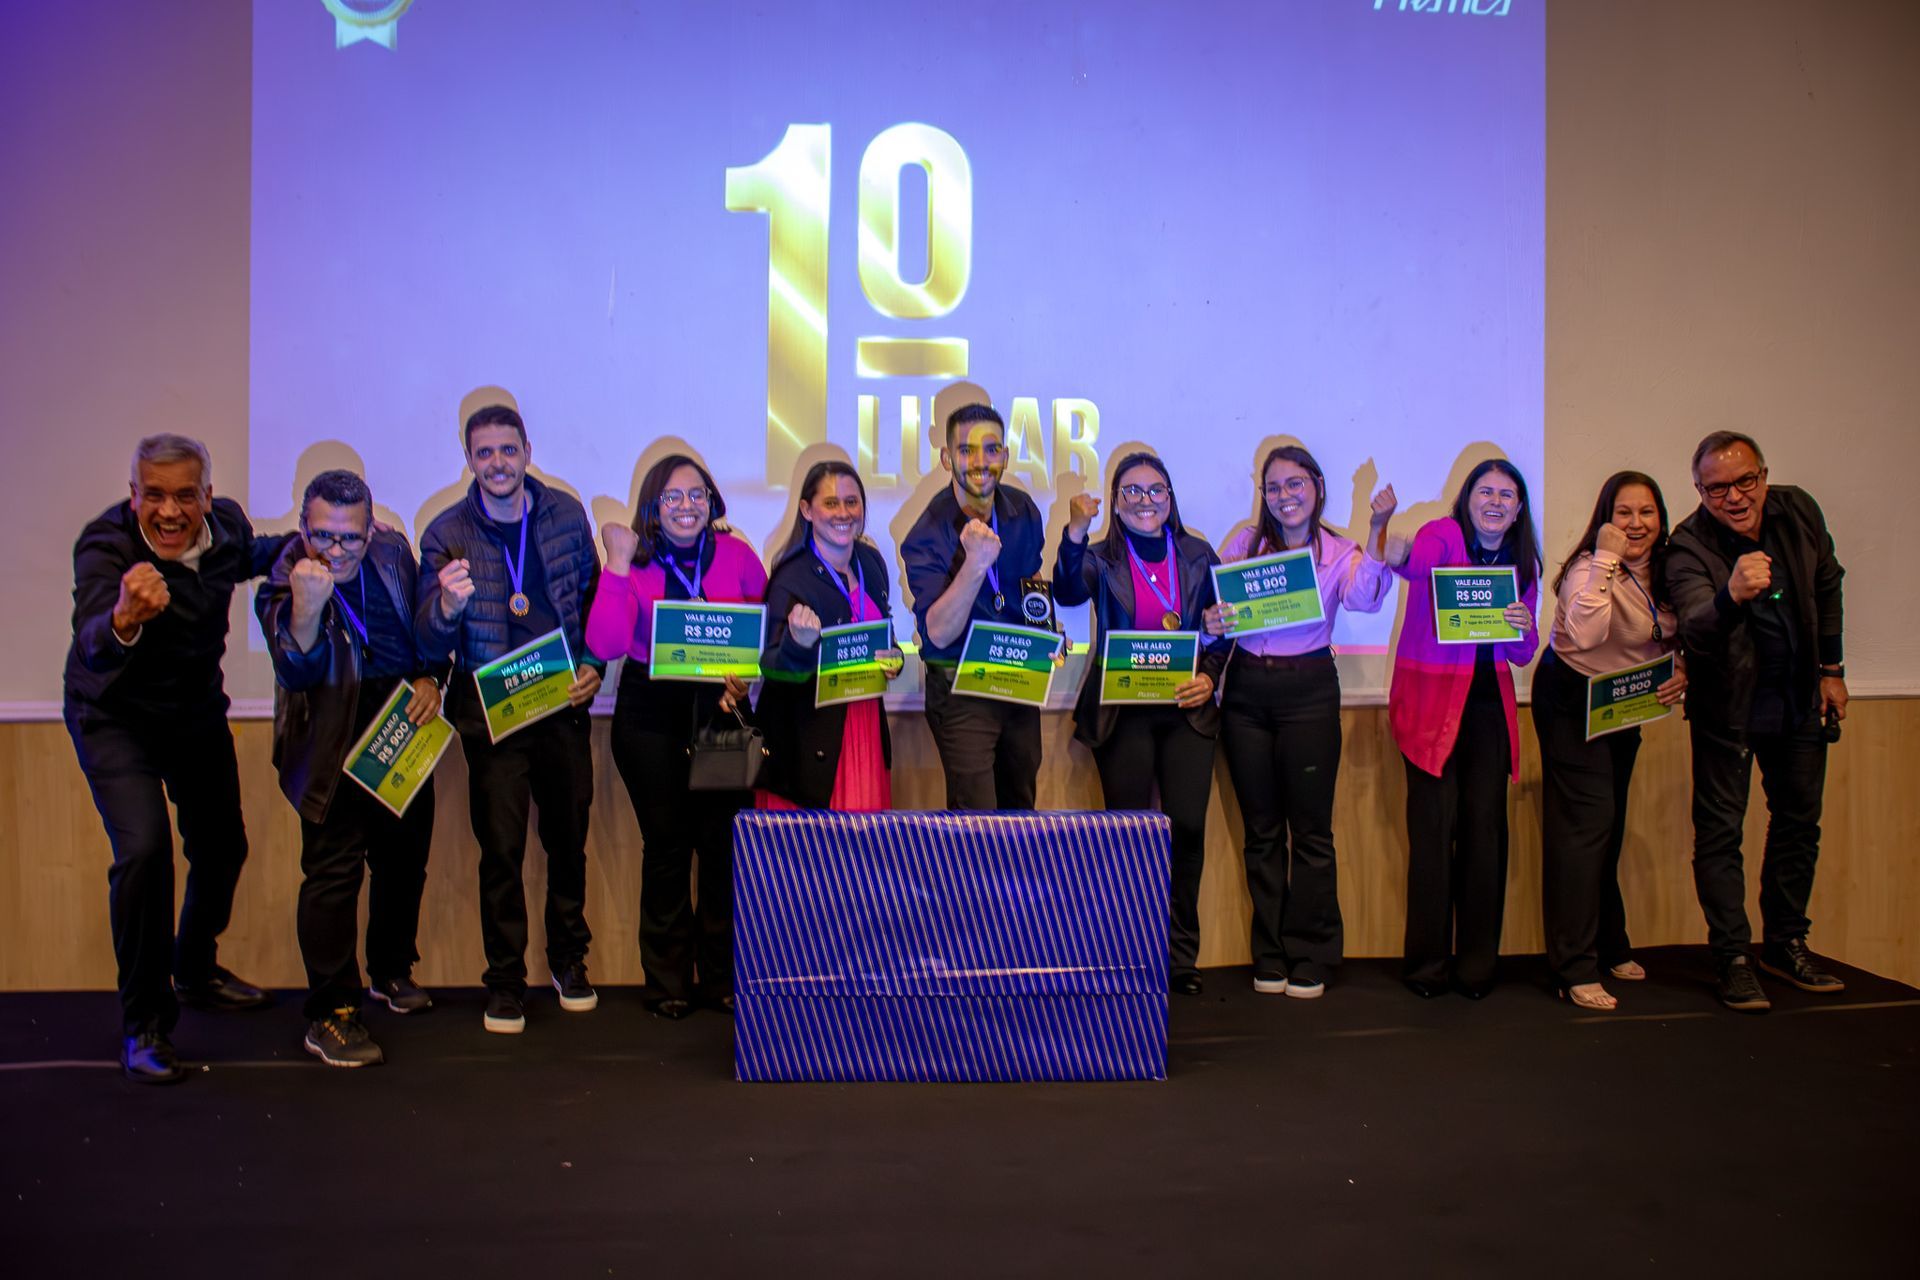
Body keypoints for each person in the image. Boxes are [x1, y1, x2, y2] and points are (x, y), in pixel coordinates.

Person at [63, 434, 285, 1083]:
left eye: (184, 495)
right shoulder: (105, 547)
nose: (168, 511)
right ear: (134, 496)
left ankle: (193, 971)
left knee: (223, 847)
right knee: (144, 853)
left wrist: (322, 542)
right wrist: (125, 618)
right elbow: (92, 640)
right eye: (153, 495)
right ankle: (145, 1026)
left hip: (191, 716)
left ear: (206, 499)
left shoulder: (227, 530)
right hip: (114, 717)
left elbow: (253, 554)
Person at [417, 404, 605, 1034]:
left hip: (561, 708)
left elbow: (591, 600)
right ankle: (504, 981)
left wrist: (594, 665)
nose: (497, 464)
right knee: (501, 852)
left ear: (528, 448)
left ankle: (568, 963)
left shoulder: (566, 516)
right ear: (468, 459)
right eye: (484, 453)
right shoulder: (445, 531)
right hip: (490, 716)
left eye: (507, 450)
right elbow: (426, 636)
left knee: (567, 844)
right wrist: (445, 603)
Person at [255, 469, 445, 1066]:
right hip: (331, 728)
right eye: (323, 536)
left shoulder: (393, 552)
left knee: (405, 857)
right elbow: (296, 670)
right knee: (333, 874)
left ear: (371, 528)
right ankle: (331, 1013)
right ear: (305, 525)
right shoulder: (287, 572)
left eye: (349, 538)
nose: (335, 551)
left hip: (399, 718)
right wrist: (307, 608)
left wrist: (431, 679)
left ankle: (390, 970)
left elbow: (421, 633)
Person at [1663, 431, 1847, 1012]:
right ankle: (1734, 957)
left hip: (1796, 696)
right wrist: (1731, 595)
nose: (1735, 497)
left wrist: (1832, 668)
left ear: (1764, 475)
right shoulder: (1687, 543)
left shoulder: (1799, 509)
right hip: (1728, 707)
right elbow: (1693, 624)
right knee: (1720, 833)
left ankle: (1785, 943)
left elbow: (1828, 582)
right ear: (1700, 490)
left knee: (1798, 822)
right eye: (1718, 488)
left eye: (1746, 481)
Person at [1205, 445, 1398, 999]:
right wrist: (1212, 620)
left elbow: (1365, 598)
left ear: (1316, 486)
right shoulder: (1244, 544)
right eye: (1273, 487)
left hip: (1310, 690)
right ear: (1261, 494)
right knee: (1261, 832)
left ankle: (1311, 952)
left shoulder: (1338, 550)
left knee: (1311, 832)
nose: (1284, 496)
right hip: (1246, 691)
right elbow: (1215, 618)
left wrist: (1378, 527)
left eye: (1295, 484)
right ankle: (1269, 953)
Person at [585, 454, 765, 1019]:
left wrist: (749, 676)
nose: (686, 507)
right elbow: (609, 645)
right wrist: (614, 565)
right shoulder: (632, 561)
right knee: (666, 849)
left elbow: (763, 630)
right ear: (653, 510)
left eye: (696, 495)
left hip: (721, 710)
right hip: (651, 714)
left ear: (712, 501)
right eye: (672, 498)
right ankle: (667, 981)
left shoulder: (738, 556)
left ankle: (720, 979)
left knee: (719, 850)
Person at [1054, 452, 1227, 996]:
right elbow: (1065, 592)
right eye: (1131, 492)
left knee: (1187, 832)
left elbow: (1225, 628)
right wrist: (1074, 532)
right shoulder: (1100, 557)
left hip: (1185, 709)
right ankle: (1128, 954)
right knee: (1127, 835)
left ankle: (1180, 958)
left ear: (1170, 499)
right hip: (1122, 712)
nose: (1145, 501)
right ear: (1117, 502)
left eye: (1155, 491)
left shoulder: (1199, 554)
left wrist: (1211, 673)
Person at [1533, 472, 1686, 1011]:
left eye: (1647, 512)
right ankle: (1573, 967)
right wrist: (1605, 560)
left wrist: (1682, 667)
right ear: (1606, 518)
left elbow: (1680, 629)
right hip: (1572, 698)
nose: (1637, 524)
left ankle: (1608, 942)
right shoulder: (1585, 569)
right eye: (1624, 513)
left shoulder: (1673, 569)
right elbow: (1590, 634)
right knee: (1584, 828)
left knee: (1611, 824)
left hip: (1627, 702)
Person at [1388, 459, 1541, 999]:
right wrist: (1390, 541)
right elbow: (1410, 568)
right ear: (1467, 497)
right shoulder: (1442, 536)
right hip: (1431, 705)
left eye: (1507, 494)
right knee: (1432, 838)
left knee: (1485, 838)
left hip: (1487, 709)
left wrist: (1525, 627)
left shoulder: (1523, 563)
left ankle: (1477, 969)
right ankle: (1426, 967)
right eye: (1486, 491)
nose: (1496, 501)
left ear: (1519, 507)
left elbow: (1522, 653)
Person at [901, 403, 1048, 809]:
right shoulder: (925, 534)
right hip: (959, 688)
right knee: (975, 823)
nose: (980, 462)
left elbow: (1029, 586)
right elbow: (939, 632)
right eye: (966, 450)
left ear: (1005, 455)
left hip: (1017, 679)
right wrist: (975, 565)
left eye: (991, 449)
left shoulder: (1023, 511)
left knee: (1021, 812)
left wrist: (1048, 635)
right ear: (947, 458)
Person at [757, 460, 904, 810]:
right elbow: (772, 669)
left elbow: (885, 634)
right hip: (810, 744)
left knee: (865, 859)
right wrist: (799, 644)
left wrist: (895, 657)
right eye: (831, 503)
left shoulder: (871, 562)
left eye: (851, 502)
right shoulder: (790, 577)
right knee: (812, 861)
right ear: (807, 510)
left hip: (865, 728)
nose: (844, 513)